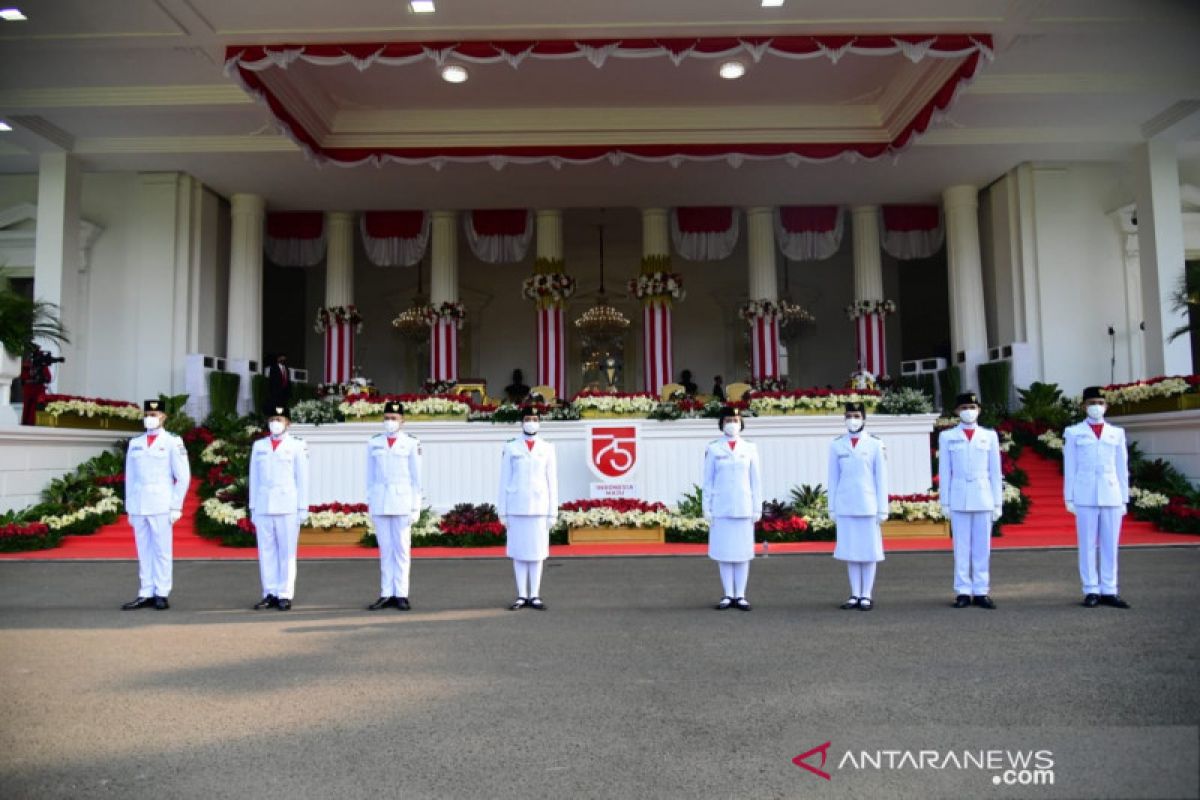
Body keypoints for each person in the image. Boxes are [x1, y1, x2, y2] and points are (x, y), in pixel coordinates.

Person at [1063, 387, 1131, 609]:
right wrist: (1069, 497)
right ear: (1083, 406)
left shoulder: (1116, 433)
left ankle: (1110, 589)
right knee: (1087, 544)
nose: (1096, 406)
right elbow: (1070, 466)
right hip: (1085, 493)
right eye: (1091, 402)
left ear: (1106, 406)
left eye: (1100, 402)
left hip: (1111, 493)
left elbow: (1122, 468)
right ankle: (1091, 589)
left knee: (1111, 544)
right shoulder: (1073, 432)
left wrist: (1124, 498)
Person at [121, 399, 191, 610]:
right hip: (140, 503)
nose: (150, 419)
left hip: (161, 503)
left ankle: (161, 592)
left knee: (161, 550)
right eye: (147, 415)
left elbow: (183, 476)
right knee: (143, 550)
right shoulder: (136, 443)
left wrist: (176, 505)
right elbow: (130, 478)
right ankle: (145, 592)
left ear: (163, 417)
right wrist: (130, 508)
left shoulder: (172, 441)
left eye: (154, 415)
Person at [938, 392, 1003, 609]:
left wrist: (997, 502)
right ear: (957, 412)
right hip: (959, 496)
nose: (969, 411)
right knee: (962, 547)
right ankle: (963, 590)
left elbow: (995, 471)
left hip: (983, 495)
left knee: (982, 547)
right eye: (964, 408)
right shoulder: (948, 437)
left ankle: (981, 590)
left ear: (979, 410)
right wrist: (945, 502)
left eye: (972, 408)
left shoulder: (989, 436)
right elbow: (945, 472)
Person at [827, 401, 888, 611]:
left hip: (868, 504)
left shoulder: (875, 444)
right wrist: (832, 508)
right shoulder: (837, 445)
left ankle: (867, 594)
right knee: (851, 551)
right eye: (849, 415)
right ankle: (854, 594)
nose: (852, 419)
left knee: (868, 551)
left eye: (856, 415)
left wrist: (883, 508)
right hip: (845, 504)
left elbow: (881, 478)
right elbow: (832, 479)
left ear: (863, 418)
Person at [497, 404, 558, 610]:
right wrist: (502, 511)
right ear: (521, 422)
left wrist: (553, 513)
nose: (530, 423)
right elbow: (504, 480)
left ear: (539, 422)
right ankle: (521, 595)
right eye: (527, 419)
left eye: (534, 419)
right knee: (519, 552)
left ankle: (535, 594)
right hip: (516, 506)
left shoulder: (547, 447)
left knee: (537, 552)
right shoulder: (511, 446)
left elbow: (552, 482)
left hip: (540, 507)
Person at [249, 405, 309, 611]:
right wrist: (253, 507)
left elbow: (302, 478)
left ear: (288, 423)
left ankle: (284, 594)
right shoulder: (259, 446)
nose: (275, 423)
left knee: (287, 552)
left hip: (287, 506)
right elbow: (254, 478)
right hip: (264, 505)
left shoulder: (297, 445)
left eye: (280, 420)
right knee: (266, 552)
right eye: (273, 419)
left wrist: (303, 508)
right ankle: (269, 593)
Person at [702, 406, 762, 610]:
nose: (732, 424)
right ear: (721, 424)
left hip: (744, 506)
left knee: (743, 553)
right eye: (728, 420)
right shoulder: (713, 448)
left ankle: (741, 595)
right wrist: (706, 508)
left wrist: (757, 507)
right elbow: (707, 481)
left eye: (735, 420)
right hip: (722, 507)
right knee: (724, 552)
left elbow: (756, 480)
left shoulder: (750, 448)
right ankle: (728, 594)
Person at [365, 401, 423, 611]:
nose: (390, 422)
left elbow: (417, 479)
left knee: (401, 549)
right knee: (385, 549)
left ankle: (401, 594)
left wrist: (415, 507)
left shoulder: (411, 443)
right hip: (381, 500)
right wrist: (370, 504)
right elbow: (370, 478)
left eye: (394, 418)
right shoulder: (374, 443)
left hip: (402, 502)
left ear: (403, 421)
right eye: (387, 418)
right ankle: (386, 593)